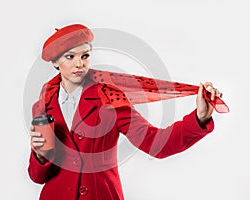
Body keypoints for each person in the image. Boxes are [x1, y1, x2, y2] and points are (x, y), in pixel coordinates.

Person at [28, 24, 222, 200]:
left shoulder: (109, 97)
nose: (80, 64)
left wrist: (199, 118)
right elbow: (37, 177)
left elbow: (157, 144)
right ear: (55, 62)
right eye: (70, 57)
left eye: (85, 56)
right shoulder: (43, 104)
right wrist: (40, 155)